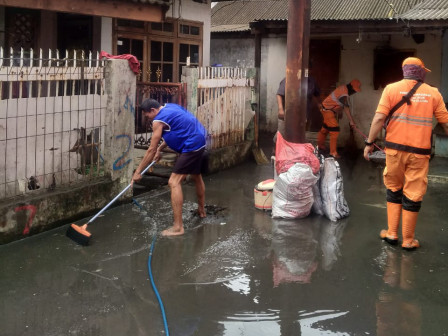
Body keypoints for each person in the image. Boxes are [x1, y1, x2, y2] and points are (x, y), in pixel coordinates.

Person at [363, 57, 448, 250]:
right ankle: (408, 240)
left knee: (393, 188)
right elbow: (446, 122)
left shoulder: (390, 89)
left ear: (405, 71)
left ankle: (392, 233)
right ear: (421, 72)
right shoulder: (433, 93)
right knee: (413, 192)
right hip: (419, 154)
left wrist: (369, 143)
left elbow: (378, 119)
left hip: (394, 151)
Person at [132, 99, 208, 236]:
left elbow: (150, 149)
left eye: (147, 115)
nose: (147, 118)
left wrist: (138, 172)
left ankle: (178, 227)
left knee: (173, 182)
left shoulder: (158, 121)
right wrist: (160, 149)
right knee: (196, 175)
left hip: (191, 146)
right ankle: (202, 211)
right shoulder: (170, 107)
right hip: (200, 140)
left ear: (153, 111)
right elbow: (178, 129)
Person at [317, 79, 361, 158]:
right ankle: (333, 153)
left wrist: (339, 112)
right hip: (328, 111)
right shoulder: (344, 93)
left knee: (325, 129)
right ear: (351, 87)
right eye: (354, 90)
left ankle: (320, 145)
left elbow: (339, 103)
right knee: (335, 130)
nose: (354, 92)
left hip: (326, 109)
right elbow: (346, 107)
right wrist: (351, 121)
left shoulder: (343, 88)